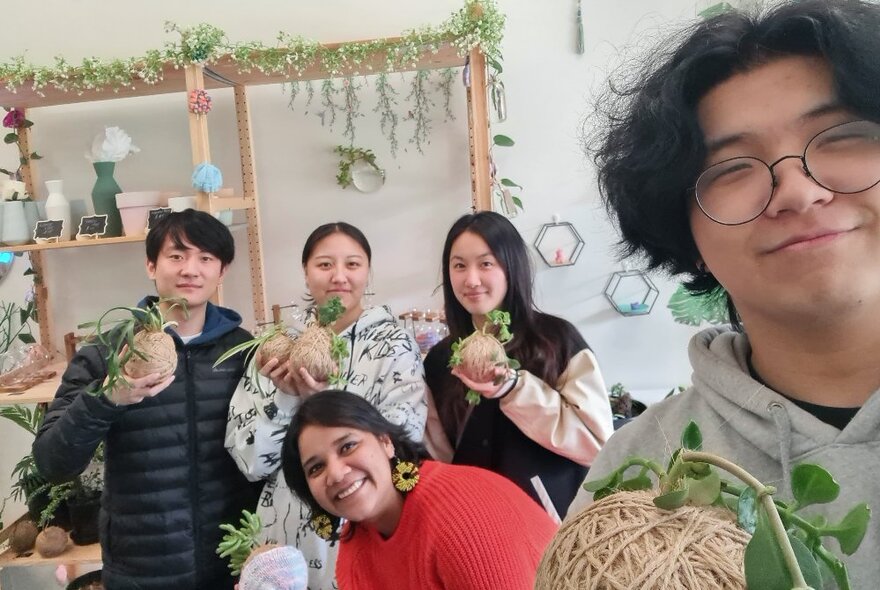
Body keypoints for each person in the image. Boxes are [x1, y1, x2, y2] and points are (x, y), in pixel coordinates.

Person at [567, 1, 880, 586]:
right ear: (685, 236)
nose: (797, 189)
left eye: (842, 136)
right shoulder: (639, 478)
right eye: (732, 168)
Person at [33, 209, 261, 590]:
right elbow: (53, 462)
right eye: (177, 256)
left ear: (222, 272)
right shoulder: (108, 352)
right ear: (151, 265)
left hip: (231, 560)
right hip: (142, 567)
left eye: (205, 258)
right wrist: (107, 397)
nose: (191, 269)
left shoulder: (243, 352)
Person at [226, 222, 427, 590]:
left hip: (362, 527)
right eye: (324, 265)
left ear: (368, 272)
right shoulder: (276, 350)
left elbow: (405, 442)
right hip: (285, 532)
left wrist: (318, 404)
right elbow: (251, 462)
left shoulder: (393, 345)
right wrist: (286, 397)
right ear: (305, 273)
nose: (339, 276)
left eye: (352, 264)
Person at [423, 211, 614, 519]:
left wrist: (514, 388)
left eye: (486, 263)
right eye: (459, 266)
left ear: (511, 267)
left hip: (552, 529)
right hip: (476, 528)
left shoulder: (555, 342)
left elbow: (597, 444)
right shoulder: (440, 360)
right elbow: (441, 456)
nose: (471, 280)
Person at [278, 390, 556, 590]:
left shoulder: (460, 513)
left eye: (348, 446)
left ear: (385, 442)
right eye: (316, 468)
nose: (336, 473)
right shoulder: (357, 540)